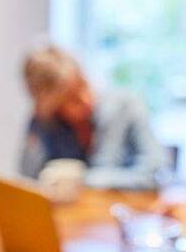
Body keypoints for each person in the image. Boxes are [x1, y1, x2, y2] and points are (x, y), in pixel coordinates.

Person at [20, 44, 168, 190]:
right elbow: (29, 180)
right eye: (71, 98)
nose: (85, 99)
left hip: (122, 205)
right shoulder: (46, 123)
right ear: (53, 106)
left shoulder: (126, 107)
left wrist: (85, 179)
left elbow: (157, 173)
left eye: (83, 84)